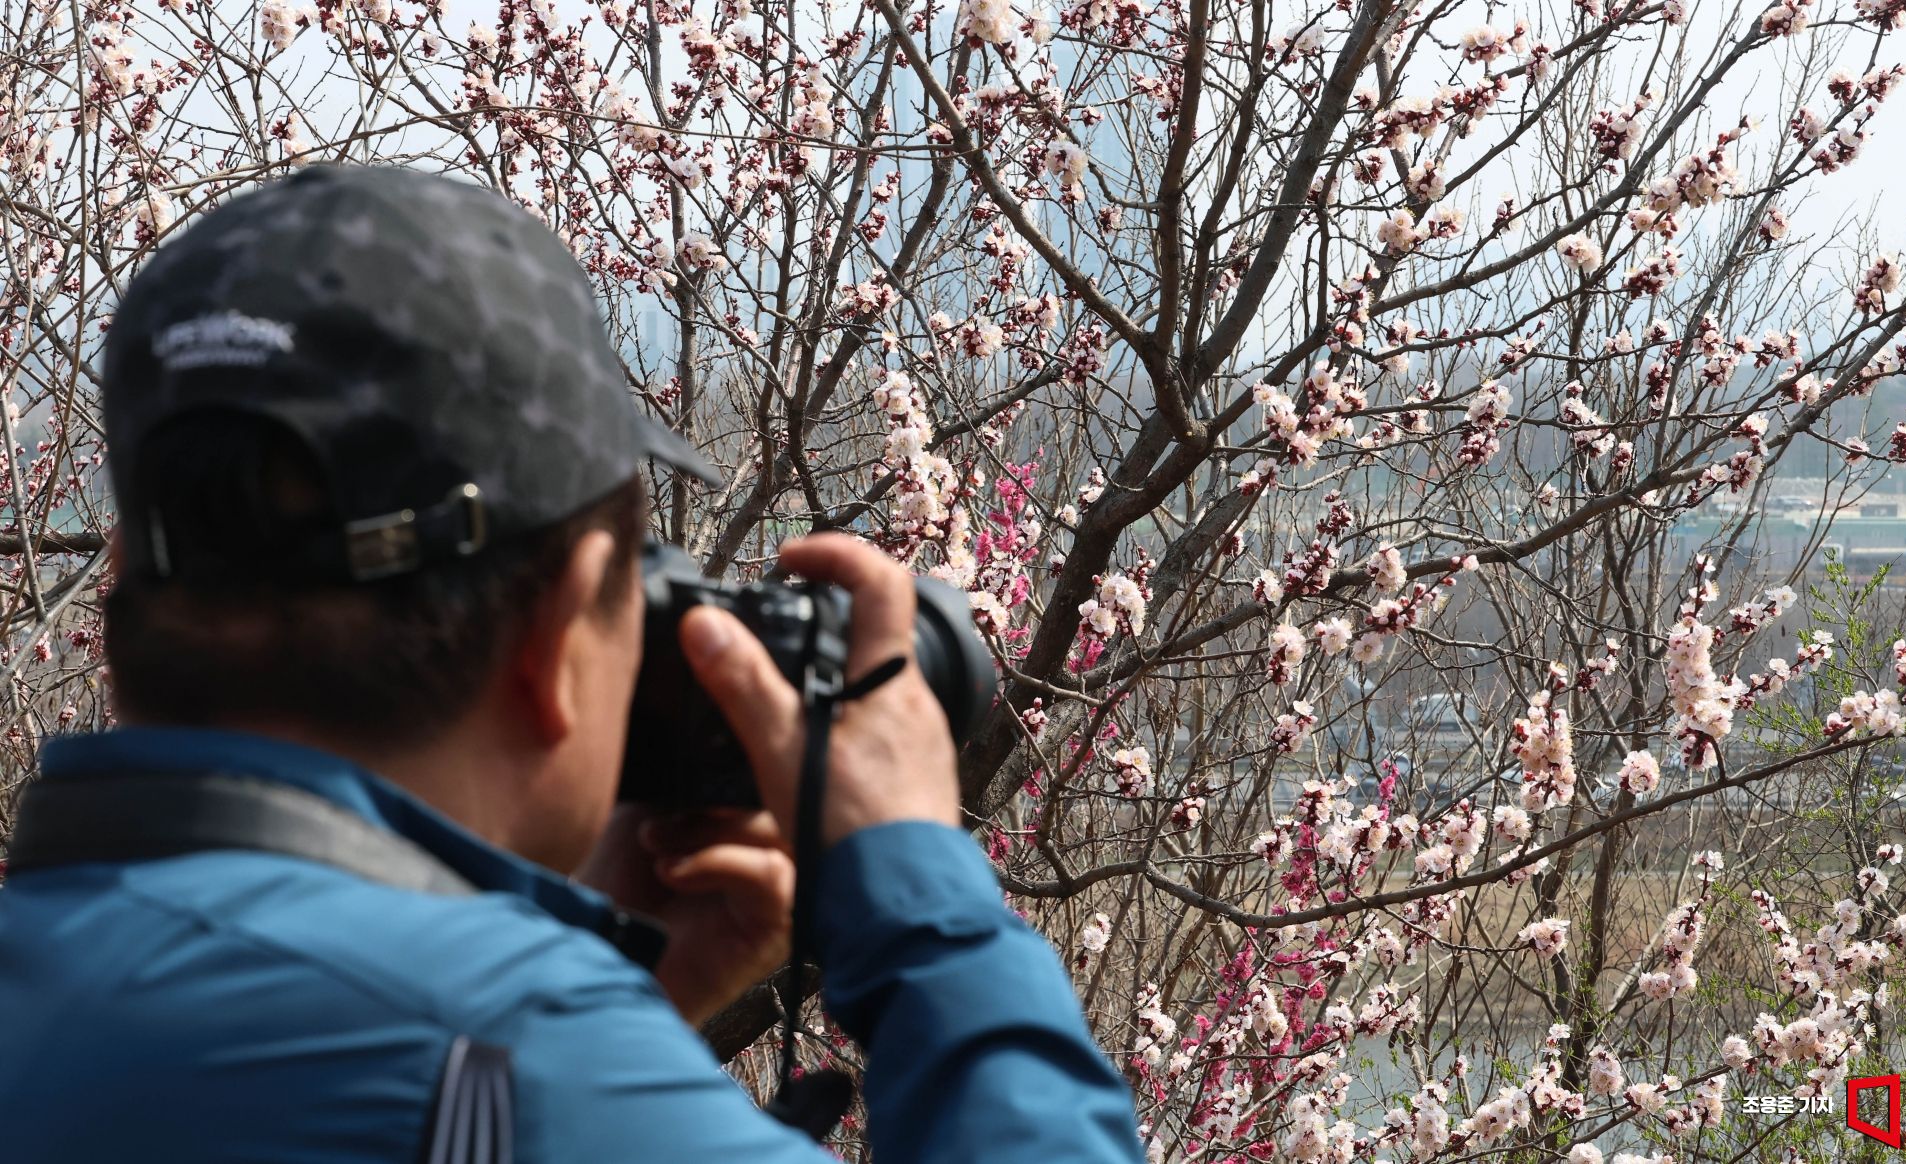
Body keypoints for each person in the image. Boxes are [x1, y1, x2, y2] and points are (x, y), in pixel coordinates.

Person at [0, 165, 1142, 1163]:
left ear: (122, 603)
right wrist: (920, 899)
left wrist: (610, 1006)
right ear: (555, 643)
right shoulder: (512, 1074)